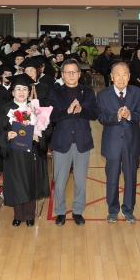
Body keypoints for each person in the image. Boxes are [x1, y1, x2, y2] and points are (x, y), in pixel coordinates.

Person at [0, 74, 51, 227]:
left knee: (30, 181)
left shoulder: (35, 109)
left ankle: (29, 214)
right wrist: (7, 135)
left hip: (31, 152)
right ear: (12, 92)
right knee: (16, 183)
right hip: (13, 152)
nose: (21, 92)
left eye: (25, 89)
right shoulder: (5, 109)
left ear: (29, 91)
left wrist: (38, 137)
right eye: (18, 89)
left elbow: (47, 130)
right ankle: (18, 215)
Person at [49, 59, 98, 226]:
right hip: (61, 141)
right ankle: (60, 211)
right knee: (60, 180)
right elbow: (51, 117)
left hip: (82, 141)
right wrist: (67, 111)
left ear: (79, 73)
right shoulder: (55, 93)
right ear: (62, 75)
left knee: (80, 180)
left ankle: (78, 210)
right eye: (67, 72)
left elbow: (94, 114)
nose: (71, 75)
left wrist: (82, 110)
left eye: (74, 71)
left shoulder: (88, 92)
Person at [97, 62, 140, 223]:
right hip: (112, 142)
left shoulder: (137, 92)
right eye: (118, 75)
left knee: (130, 178)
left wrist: (130, 115)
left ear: (129, 76)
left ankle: (128, 210)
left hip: (132, 141)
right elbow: (101, 118)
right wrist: (116, 117)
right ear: (111, 77)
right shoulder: (103, 94)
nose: (121, 78)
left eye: (125, 74)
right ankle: (112, 210)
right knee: (112, 178)